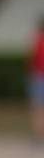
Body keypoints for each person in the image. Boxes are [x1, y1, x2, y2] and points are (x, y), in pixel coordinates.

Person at [28, 15, 44, 145]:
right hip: (38, 77)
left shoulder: (38, 41)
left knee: (38, 109)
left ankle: (38, 138)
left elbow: (33, 60)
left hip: (39, 77)